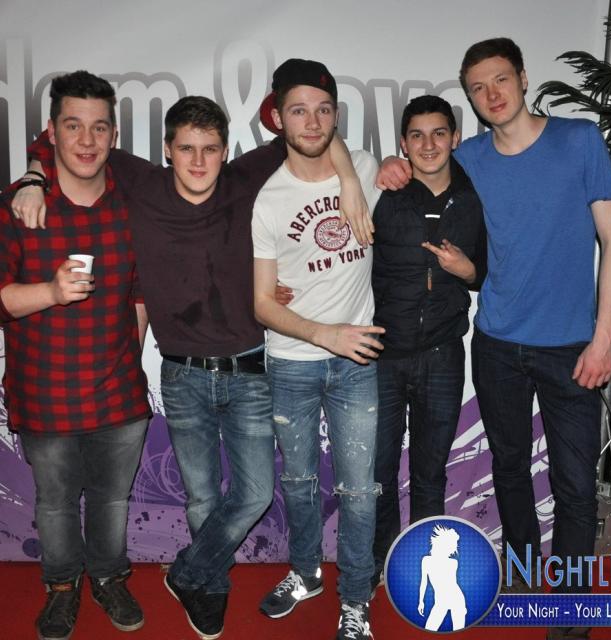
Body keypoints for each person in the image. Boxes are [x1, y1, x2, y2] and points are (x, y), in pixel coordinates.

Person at [16, 93, 370, 640]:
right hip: (181, 376)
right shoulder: (142, 183)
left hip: (249, 370)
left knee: (255, 493)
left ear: (226, 151)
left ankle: (187, 573)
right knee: (201, 496)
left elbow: (313, 133)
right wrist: (32, 177)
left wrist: (350, 179)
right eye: (186, 149)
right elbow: (66, 137)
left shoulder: (243, 179)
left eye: (209, 149)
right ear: (167, 151)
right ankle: (211, 586)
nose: (199, 161)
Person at [378, 38, 611, 640]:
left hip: (572, 348)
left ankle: (571, 611)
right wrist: (390, 164)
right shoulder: (470, 158)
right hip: (495, 344)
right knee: (510, 468)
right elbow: (421, 165)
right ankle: (523, 574)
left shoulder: (579, 140)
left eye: (500, 80)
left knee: (574, 486)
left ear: (522, 78)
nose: (492, 94)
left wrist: (604, 339)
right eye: (478, 88)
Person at [0, 70, 151, 640]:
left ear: (114, 134)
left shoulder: (133, 206)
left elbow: (140, 292)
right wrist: (50, 292)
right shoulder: (18, 207)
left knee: (112, 501)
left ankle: (109, 577)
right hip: (45, 393)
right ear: (51, 132)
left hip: (119, 394)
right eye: (73, 126)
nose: (87, 140)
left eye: (99, 127)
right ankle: (62, 587)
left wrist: (129, 353)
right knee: (57, 504)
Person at [252, 58, 382, 640]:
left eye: (323, 110)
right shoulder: (268, 198)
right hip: (292, 362)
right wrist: (326, 334)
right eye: (299, 110)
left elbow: (353, 158)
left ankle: (355, 599)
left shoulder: (366, 168)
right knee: (299, 482)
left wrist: (350, 177)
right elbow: (262, 304)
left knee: (359, 491)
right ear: (278, 118)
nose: (312, 122)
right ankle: (305, 573)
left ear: (336, 116)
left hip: (356, 367)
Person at [370, 95, 486, 592]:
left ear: (455, 138)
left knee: (430, 471)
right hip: (382, 354)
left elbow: (488, 271)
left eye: (439, 133)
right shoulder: (385, 191)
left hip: (443, 353)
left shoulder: (477, 194)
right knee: (377, 472)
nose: (429, 144)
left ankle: (421, 563)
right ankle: (379, 562)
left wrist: (467, 270)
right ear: (403, 143)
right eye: (417, 135)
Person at [417, 525, 466, 631]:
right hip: (440, 601)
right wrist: (421, 601)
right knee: (429, 629)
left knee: (458, 632)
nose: (453, 549)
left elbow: (452, 584)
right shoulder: (426, 560)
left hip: (456, 599)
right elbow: (423, 583)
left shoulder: (453, 563)